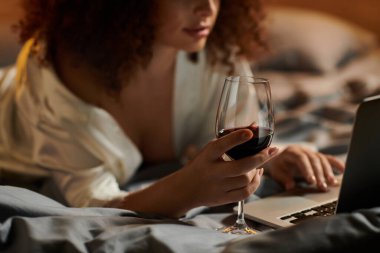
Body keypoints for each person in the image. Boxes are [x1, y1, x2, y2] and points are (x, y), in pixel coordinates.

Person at [0, 0, 344, 218]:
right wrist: (185, 192)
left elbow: (240, 139)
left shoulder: (217, 51)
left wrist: (274, 159)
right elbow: (91, 202)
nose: (207, 7)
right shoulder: (59, 71)